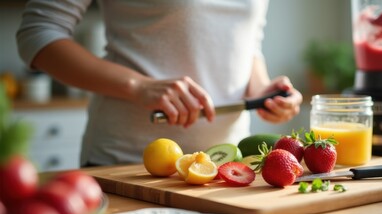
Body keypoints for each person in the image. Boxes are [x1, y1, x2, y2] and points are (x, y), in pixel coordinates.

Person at [16, 0, 303, 167]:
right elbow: (38, 33)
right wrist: (138, 86)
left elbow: (246, 40)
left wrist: (260, 88)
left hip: (224, 167)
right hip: (127, 165)